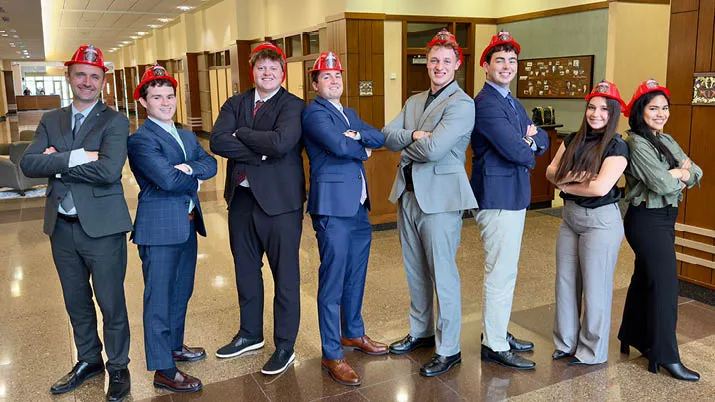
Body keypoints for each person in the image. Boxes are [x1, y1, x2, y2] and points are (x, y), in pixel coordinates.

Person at [19, 44, 132, 401]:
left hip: (103, 228)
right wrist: (80, 156)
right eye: (80, 74)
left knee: (111, 301)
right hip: (62, 227)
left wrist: (57, 161)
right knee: (75, 300)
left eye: (94, 76)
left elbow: (110, 171)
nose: (87, 82)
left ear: (103, 82)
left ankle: (118, 365)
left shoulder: (115, 120)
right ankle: (88, 359)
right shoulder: (51, 119)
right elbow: (30, 164)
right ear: (69, 77)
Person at [383, 29, 477, 377]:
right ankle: (422, 331)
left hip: (440, 200)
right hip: (407, 194)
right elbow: (386, 135)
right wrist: (414, 135)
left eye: (446, 61)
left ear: (456, 65)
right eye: (433, 60)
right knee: (415, 270)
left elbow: (435, 149)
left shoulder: (462, 104)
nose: (439, 66)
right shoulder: (414, 101)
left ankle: (449, 348)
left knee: (443, 274)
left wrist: (412, 141)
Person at [210, 43, 305, 375]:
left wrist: (244, 135)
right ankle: (250, 334)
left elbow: (282, 143)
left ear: (282, 73)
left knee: (286, 277)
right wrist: (261, 152)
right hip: (241, 200)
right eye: (261, 68)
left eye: (273, 68)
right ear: (253, 72)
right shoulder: (235, 103)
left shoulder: (293, 105)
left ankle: (285, 345)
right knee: (246, 272)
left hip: (281, 204)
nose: (267, 73)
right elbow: (217, 140)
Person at [127, 64, 217, 393]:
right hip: (159, 228)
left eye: (170, 96)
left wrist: (190, 166)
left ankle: (175, 347)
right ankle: (164, 369)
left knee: (182, 291)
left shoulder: (187, 134)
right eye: (157, 97)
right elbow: (166, 179)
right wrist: (192, 173)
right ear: (144, 102)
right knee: (159, 299)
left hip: (187, 224)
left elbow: (212, 163)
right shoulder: (140, 140)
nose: (165, 102)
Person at [302, 52, 388, 386]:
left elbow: (378, 136)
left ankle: (353, 333)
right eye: (326, 77)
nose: (334, 81)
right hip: (332, 209)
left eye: (337, 76)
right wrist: (360, 145)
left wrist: (360, 137)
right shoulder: (314, 114)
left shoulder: (349, 112)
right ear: (315, 83)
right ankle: (331, 352)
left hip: (358, 208)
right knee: (333, 281)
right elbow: (339, 146)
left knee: (356, 275)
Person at [470, 32, 549, 370]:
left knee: (506, 271)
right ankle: (495, 343)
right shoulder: (486, 103)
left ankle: (496, 331)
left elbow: (541, 136)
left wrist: (530, 141)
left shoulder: (512, 102)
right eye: (499, 60)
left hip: (513, 195)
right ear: (485, 65)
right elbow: (520, 149)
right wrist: (527, 143)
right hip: (497, 197)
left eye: (512, 61)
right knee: (500, 272)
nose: (506, 66)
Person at [618, 79, 702, 382]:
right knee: (666, 286)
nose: (660, 113)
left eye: (664, 108)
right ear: (640, 110)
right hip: (646, 220)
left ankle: (631, 334)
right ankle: (666, 356)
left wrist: (681, 172)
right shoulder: (635, 142)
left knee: (645, 279)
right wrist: (681, 171)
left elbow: (699, 171)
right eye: (653, 108)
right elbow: (662, 183)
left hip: (666, 218)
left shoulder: (665, 140)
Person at [546, 80, 629, 365]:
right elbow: (550, 171)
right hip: (569, 218)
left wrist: (566, 184)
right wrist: (576, 178)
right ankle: (566, 342)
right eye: (592, 107)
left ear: (613, 113)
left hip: (600, 223)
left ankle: (591, 351)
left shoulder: (617, 146)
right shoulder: (572, 138)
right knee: (566, 282)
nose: (596, 114)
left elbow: (599, 188)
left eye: (604, 109)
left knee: (596, 288)